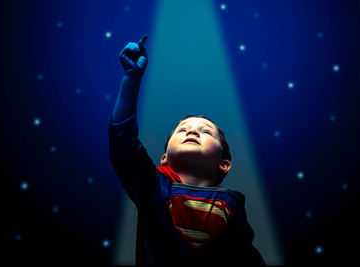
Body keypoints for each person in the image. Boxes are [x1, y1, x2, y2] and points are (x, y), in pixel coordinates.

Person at [108, 34, 266, 265]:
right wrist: (131, 79)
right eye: (182, 130)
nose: (192, 132)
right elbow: (123, 144)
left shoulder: (233, 203)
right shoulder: (154, 187)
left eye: (206, 132)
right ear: (164, 159)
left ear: (224, 164)